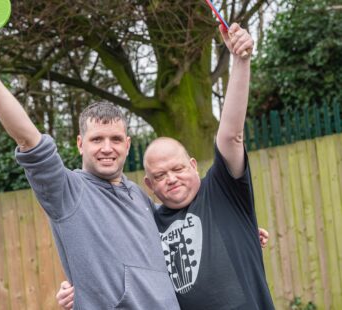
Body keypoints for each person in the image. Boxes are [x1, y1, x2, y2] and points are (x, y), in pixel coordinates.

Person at [56, 23, 275, 309]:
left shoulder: (223, 192)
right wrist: (74, 289)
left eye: (179, 169)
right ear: (150, 185)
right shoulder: (148, 225)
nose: (171, 179)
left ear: (194, 165)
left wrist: (240, 60)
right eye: (159, 175)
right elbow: (107, 260)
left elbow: (231, 134)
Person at [0, 32, 180, 309]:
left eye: (115, 139)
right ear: (81, 144)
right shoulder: (67, 192)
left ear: (127, 145)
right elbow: (29, 140)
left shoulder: (139, 197)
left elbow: (179, 227)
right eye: (97, 139)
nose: (107, 148)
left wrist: (238, 229)